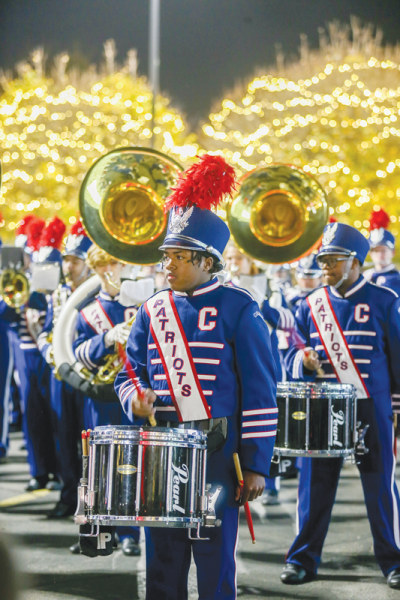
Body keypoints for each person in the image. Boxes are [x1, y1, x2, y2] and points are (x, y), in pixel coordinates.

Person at [115, 154, 278, 600]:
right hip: (160, 450)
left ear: (207, 261)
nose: (167, 265)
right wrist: (135, 399)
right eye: (165, 255)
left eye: (178, 256)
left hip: (218, 457)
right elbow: (129, 373)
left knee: (213, 563)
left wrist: (258, 464)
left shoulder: (238, 307)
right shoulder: (152, 309)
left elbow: (260, 392)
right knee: (162, 564)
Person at [281, 221, 400, 589]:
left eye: (332, 260)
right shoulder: (310, 304)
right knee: (313, 486)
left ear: (355, 261)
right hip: (322, 407)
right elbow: (289, 353)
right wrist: (304, 362)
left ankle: (394, 561)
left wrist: (397, 410)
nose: (325, 268)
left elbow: (398, 360)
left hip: (372, 406)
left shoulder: (385, 301)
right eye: (323, 260)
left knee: (380, 485)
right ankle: (302, 559)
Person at [71, 243, 141, 556]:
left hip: (131, 394)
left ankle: (129, 533)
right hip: (100, 397)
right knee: (97, 464)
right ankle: (96, 531)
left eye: (115, 264)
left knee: (130, 463)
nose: (110, 271)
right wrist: (106, 339)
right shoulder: (86, 313)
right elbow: (78, 355)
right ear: (95, 269)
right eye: (103, 266)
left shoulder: (140, 305)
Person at [224, 241, 294, 505]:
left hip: (268, 361)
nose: (232, 265)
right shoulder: (225, 289)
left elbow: (288, 321)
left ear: (250, 261)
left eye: (238, 259)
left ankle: (270, 478)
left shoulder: (269, 286)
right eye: (229, 259)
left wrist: (262, 303)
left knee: (266, 420)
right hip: (236, 365)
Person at [38, 220, 92, 518]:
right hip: (60, 374)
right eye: (67, 260)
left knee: (87, 439)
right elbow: (48, 330)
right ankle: (68, 494)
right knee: (63, 434)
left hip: (86, 374)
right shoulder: (58, 293)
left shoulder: (95, 292)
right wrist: (49, 351)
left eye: (75, 260)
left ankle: (91, 500)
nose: (69, 266)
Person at [363, 211, 400, 294]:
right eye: (376, 251)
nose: (380, 254)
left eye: (384, 250)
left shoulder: (398, 277)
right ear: (370, 253)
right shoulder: (365, 276)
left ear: (393, 252)